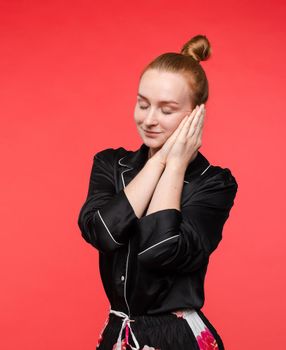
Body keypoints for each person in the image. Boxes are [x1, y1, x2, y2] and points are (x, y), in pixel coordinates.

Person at [77, 34, 238, 350]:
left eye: (167, 110)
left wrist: (176, 165)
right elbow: (102, 233)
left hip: (177, 338)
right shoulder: (111, 164)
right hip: (118, 333)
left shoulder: (213, 183)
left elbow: (158, 250)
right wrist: (161, 158)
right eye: (143, 103)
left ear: (195, 114)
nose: (149, 120)